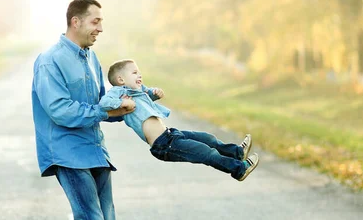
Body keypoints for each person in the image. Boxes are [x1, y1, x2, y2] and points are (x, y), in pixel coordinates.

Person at [31, 0, 135, 220]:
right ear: (75, 22)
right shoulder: (50, 61)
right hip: (67, 152)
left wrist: (124, 109)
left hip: (95, 150)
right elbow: (59, 109)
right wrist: (104, 111)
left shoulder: (91, 58)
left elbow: (101, 104)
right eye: (95, 22)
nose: (100, 28)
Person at [100, 59, 259, 181]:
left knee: (207, 138)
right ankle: (238, 169)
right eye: (134, 73)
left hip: (171, 135)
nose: (139, 75)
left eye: (139, 72)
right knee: (206, 153)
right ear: (121, 80)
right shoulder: (118, 93)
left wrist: (155, 93)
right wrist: (123, 103)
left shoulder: (138, 90)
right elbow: (104, 103)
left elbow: (148, 95)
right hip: (163, 145)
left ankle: (236, 153)